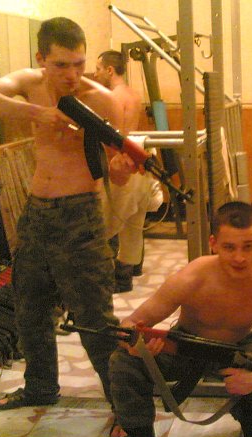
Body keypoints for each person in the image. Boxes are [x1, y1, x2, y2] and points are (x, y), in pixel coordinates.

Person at [0, 17, 136, 437]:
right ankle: (41, 386)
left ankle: (127, 408)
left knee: (95, 319)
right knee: (30, 307)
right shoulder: (30, 84)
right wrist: (36, 112)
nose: (72, 75)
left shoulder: (101, 101)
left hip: (81, 216)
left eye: (79, 64)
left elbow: (116, 171)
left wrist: (122, 168)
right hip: (36, 211)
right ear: (41, 59)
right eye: (61, 65)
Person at [109, 201, 252, 437]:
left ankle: (249, 416)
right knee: (123, 361)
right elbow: (129, 324)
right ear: (214, 243)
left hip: (237, 352)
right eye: (229, 247)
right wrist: (134, 346)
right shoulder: (191, 278)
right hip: (185, 345)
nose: (239, 257)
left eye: (248, 246)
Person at [93, 49, 160, 292]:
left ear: (110, 70)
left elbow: (114, 138)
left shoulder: (112, 98)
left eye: (98, 69)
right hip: (137, 157)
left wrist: (111, 167)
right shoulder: (134, 95)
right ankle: (130, 271)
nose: (96, 74)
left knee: (110, 221)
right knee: (134, 221)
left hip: (121, 161)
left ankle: (117, 277)